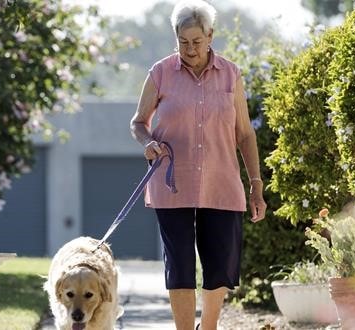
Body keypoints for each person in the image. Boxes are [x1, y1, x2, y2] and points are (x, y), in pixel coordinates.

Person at [130, 0, 267, 329]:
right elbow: (138, 122)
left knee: (219, 265)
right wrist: (147, 142)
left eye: (196, 41)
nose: (189, 49)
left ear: (210, 36)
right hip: (172, 183)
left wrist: (256, 185)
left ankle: (208, 327)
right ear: (175, 36)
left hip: (222, 183)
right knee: (179, 267)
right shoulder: (161, 72)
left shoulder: (231, 74)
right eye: (183, 42)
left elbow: (246, 134)